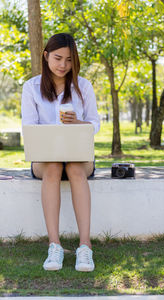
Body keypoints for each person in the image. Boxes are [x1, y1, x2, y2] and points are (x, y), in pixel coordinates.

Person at [21, 33, 100, 272]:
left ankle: (84, 247)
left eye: (69, 60)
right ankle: (54, 245)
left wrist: (79, 123)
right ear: (46, 56)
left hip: (78, 157)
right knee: (54, 166)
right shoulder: (31, 87)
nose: (63, 65)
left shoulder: (83, 86)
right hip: (46, 161)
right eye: (58, 58)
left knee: (75, 167)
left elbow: (95, 124)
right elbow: (29, 128)